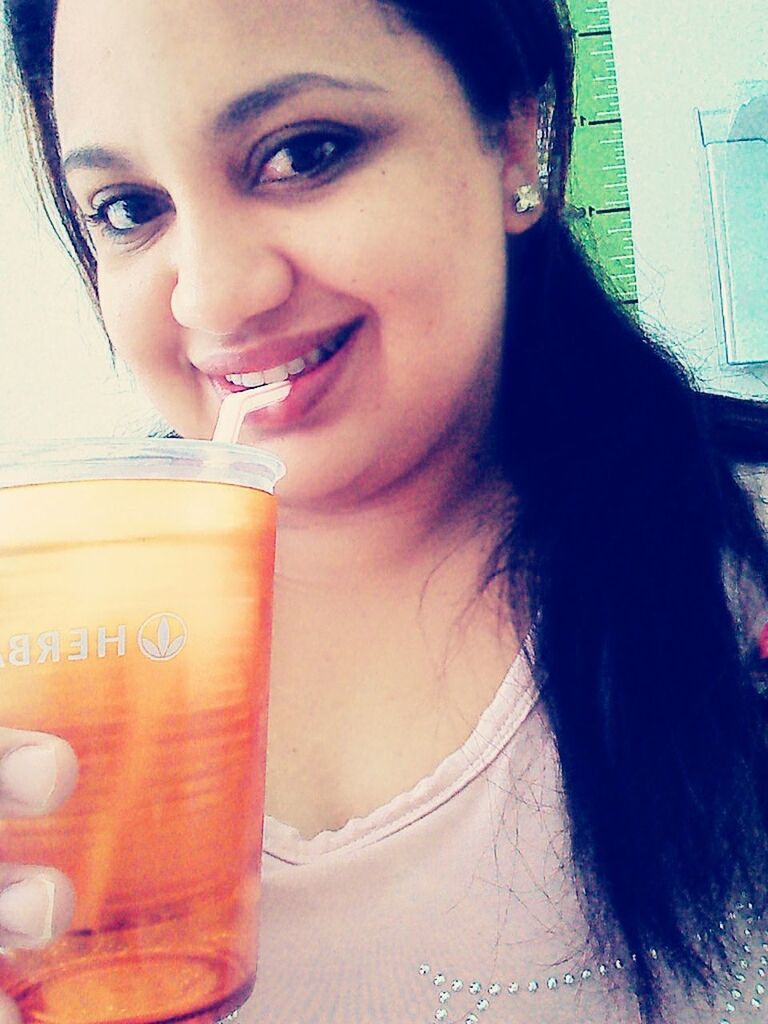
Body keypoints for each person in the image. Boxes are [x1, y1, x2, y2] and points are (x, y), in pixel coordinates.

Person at [3, 0, 768, 1021]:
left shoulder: (740, 556)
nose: (214, 298)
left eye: (304, 151)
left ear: (512, 131)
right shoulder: (48, 632)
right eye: (130, 209)